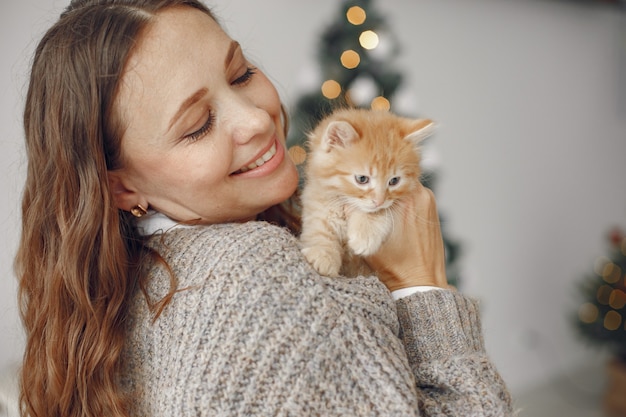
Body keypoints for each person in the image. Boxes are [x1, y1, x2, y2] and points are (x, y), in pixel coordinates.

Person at [15, 0, 515, 416]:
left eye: (241, 73)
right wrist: (421, 285)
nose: (256, 118)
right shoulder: (259, 279)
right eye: (197, 125)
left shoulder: (111, 291)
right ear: (122, 188)